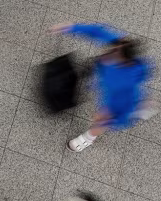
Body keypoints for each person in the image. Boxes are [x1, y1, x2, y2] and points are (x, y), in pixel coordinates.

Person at [50, 23, 155, 152]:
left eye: (117, 51)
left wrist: (112, 117)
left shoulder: (128, 83)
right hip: (101, 76)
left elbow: (127, 107)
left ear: (126, 61)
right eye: (116, 46)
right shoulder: (117, 44)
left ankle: (87, 139)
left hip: (113, 101)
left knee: (102, 122)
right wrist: (69, 27)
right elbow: (96, 31)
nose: (112, 49)